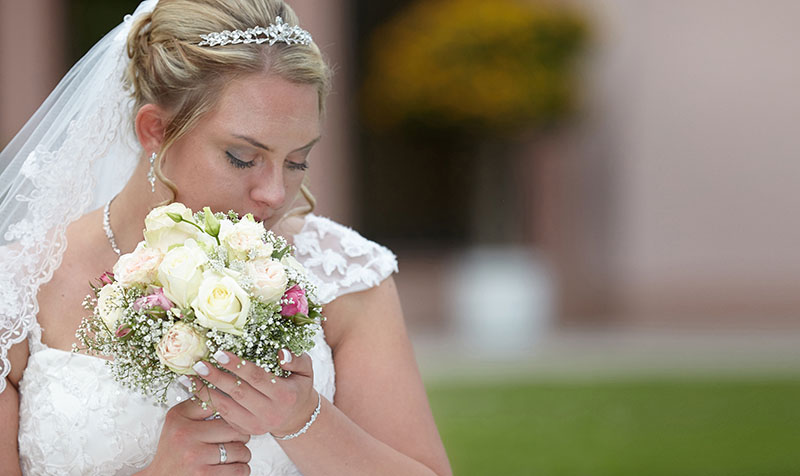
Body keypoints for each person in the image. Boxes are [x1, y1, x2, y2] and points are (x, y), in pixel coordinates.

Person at [0, 1, 452, 474]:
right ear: (156, 130)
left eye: (296, 161)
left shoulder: (344, 274)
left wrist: (303, 420)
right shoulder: (22, 287)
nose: (275, 194)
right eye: (242, 157)